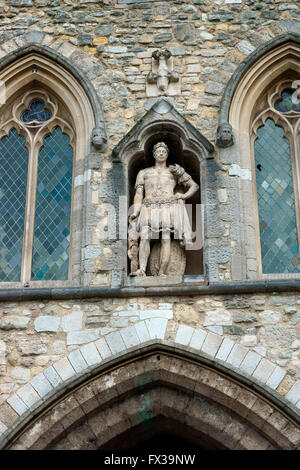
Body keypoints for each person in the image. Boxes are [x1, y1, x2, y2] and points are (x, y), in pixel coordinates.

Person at [128, 141, 199, 277]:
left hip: (168, 206)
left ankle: (162, 271)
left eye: (164, 151)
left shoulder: (174, 171)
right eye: (158, 151)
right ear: (154, 154)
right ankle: (142, 270)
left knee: (166, 238)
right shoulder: (144, 172)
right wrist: (135, 211)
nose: (161, 153)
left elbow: (194, 186)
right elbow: (138, 194)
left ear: (167, 154)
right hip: (148, 206)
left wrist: (183, 195)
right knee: (144, 236)